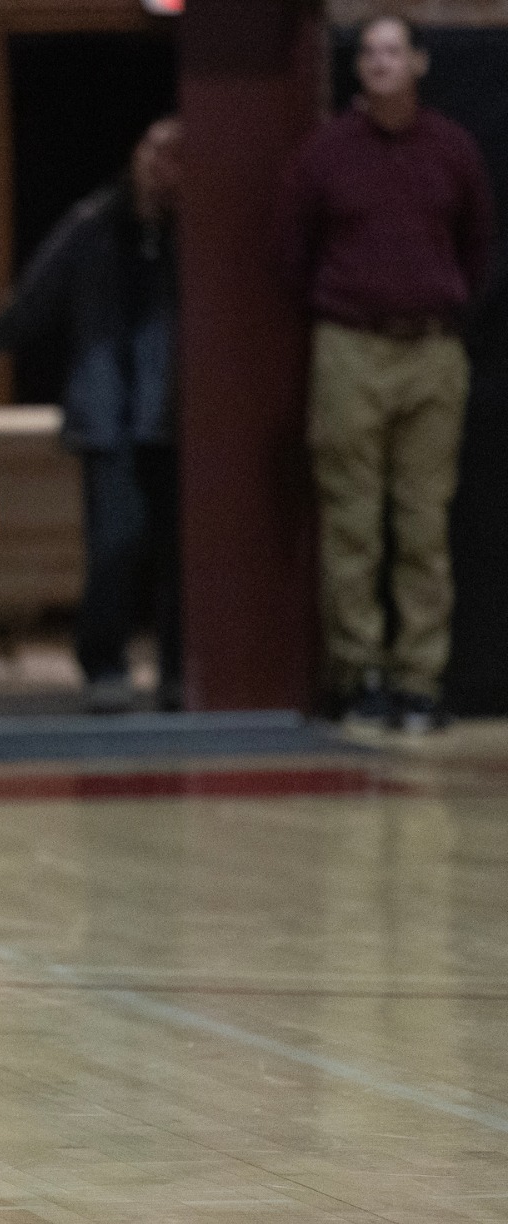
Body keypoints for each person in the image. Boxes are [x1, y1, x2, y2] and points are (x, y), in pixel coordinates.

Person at [280, 15, 493, 732]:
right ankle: (360, 671)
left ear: (419, 63)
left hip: (432, 350)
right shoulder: (327, 152)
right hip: (350, 346)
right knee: (352, 522)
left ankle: (420, 679)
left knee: (425, 522)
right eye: (368, 53)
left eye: (393, 52)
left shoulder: (452, 148)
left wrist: (442, 303)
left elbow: (478, 243)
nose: (380, 63)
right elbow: (291, 248)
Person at [0, 118, 184, 713]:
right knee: (113, 546)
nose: (167, 162)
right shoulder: (94, 226)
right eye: (157, 148)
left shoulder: (201, 235)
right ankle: (104, 666)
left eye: (180, 153)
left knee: (180, 553)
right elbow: (30, 306)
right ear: (137, 156)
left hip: (178, 418)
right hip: (109, 413)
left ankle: (178, 670)